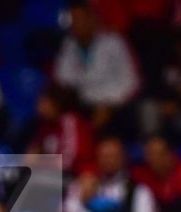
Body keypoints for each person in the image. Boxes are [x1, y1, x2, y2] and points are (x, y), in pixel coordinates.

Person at [51, 1, 140, 130]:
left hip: (115, 105)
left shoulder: (114, 42)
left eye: (80, 19)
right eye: (73, 20)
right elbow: (63, 79)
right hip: (84, 105)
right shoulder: (68, 46)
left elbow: (130, 82)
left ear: (92, 19)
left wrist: (108, 105)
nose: (76, 24)